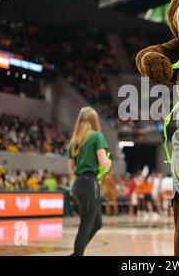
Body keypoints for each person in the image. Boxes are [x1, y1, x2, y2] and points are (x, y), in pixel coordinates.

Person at [68, 106, 111, 256]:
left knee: (97, 223)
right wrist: (108, 162)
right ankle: (77, 254)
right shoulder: (97, 136)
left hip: (78, 184)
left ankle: (75, 254)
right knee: (86, 225)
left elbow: (72, 169)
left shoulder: (74, 142)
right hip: (89, 184)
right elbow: (103, 162)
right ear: (94, 121)